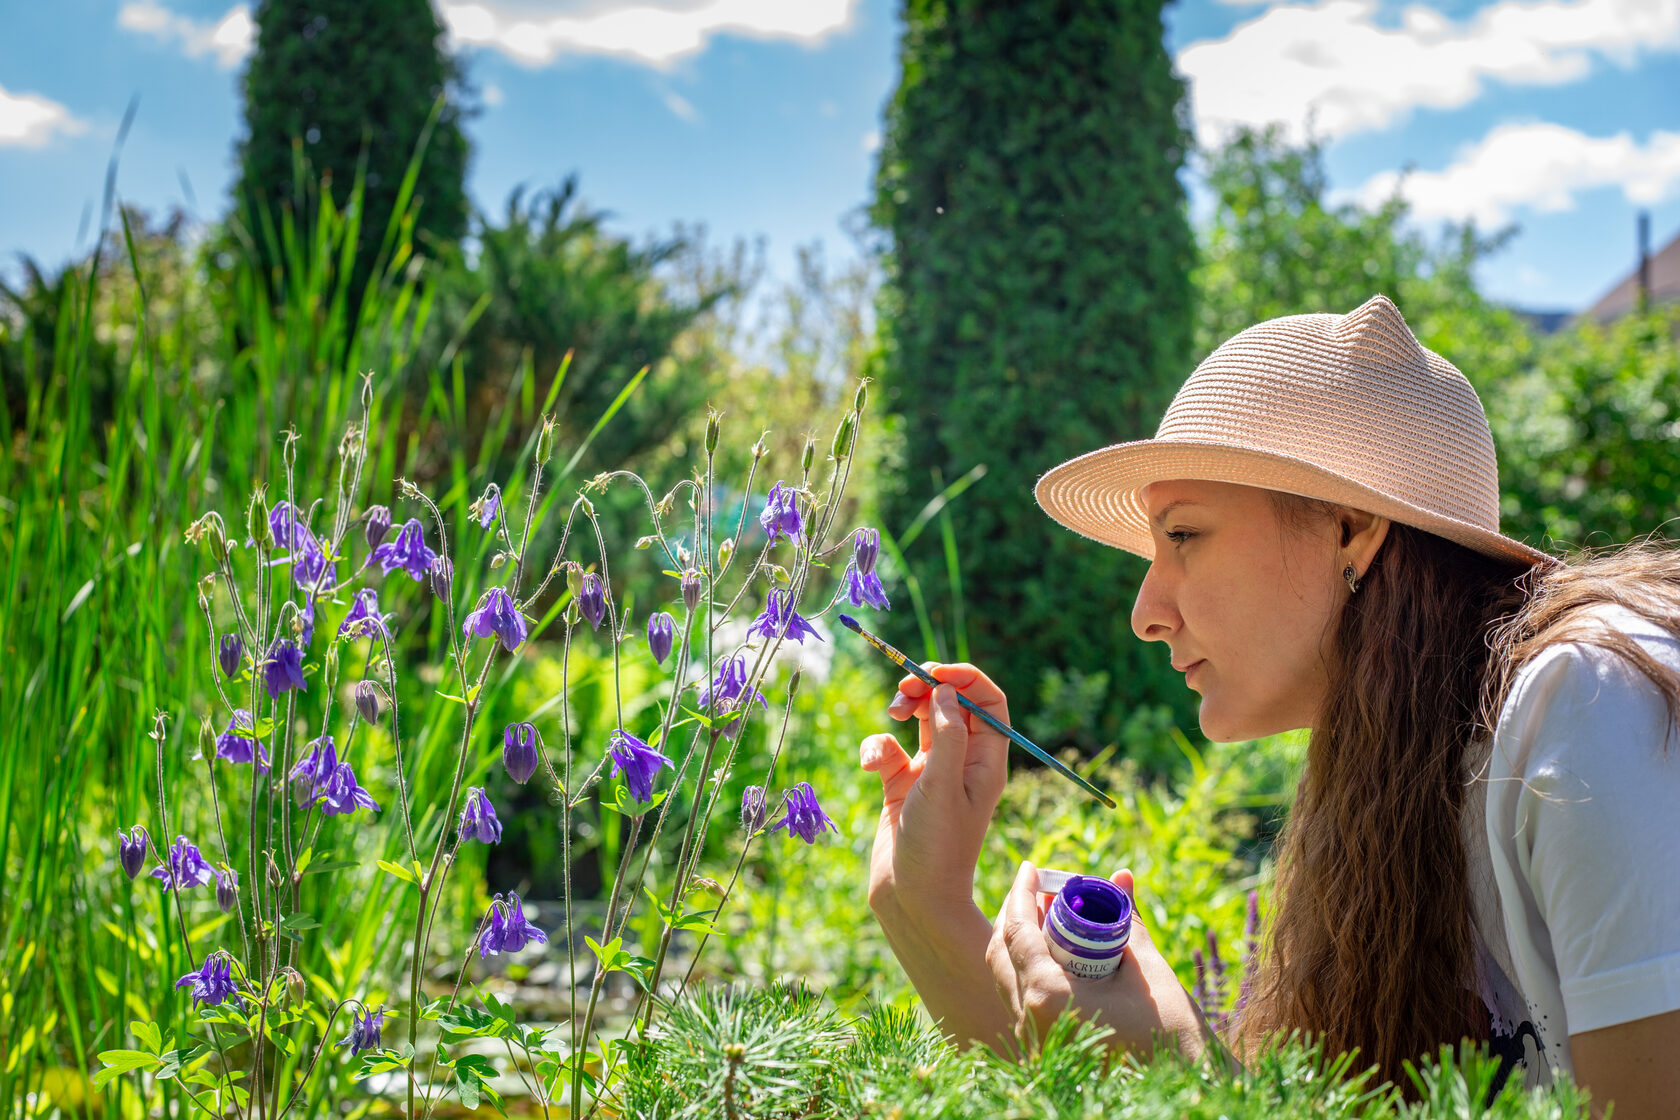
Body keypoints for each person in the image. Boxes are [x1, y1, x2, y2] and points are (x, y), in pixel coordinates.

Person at [861, 294, 1680, 1114]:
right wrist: (924, 902)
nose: (1144, 613)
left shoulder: (1586, 707)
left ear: (1351, 529)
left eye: (1182, 535)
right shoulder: (1392, 777)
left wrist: (1178, 1066)